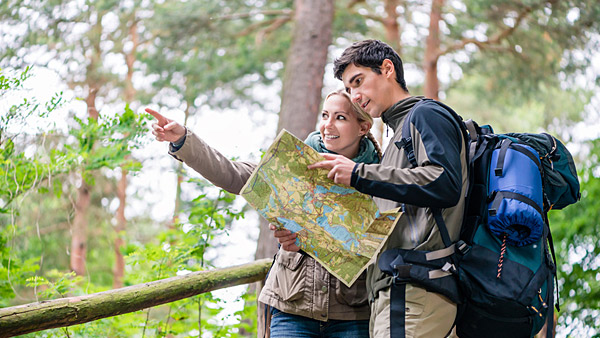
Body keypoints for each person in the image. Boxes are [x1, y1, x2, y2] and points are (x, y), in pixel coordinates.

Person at [146, 89, 383, 338]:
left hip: (353, 314)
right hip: (291, 308)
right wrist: (184, 139)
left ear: (363, 127)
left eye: (340, 118)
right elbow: (233, 174)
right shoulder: (295, 162)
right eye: (325, 115)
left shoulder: (379, 175)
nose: (328, 125)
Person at [280, 39, 468, 338]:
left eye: (359, 81)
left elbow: (444, 182)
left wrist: (359, 173)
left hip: (415, 291)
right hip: (393, 293)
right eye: (349, 88)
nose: (355, 95)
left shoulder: (425, 115)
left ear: (387, 69)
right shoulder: (398, 133)